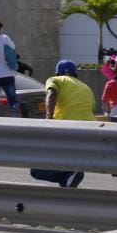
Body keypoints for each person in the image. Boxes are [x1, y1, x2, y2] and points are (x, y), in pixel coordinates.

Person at [29, 60, 94, 188]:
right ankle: (67, 187)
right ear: (76, 75)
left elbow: (51, 93)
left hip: (66, 129)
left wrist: (49, 117)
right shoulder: (86, 87)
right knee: (64, 166)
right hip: (89, 132)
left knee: (36, 170)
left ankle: (68, 175)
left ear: (57, 73)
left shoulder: (55, 80)